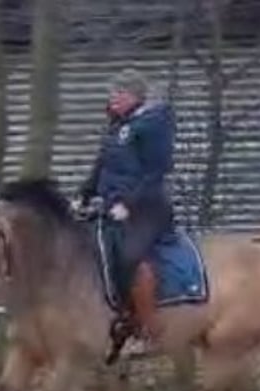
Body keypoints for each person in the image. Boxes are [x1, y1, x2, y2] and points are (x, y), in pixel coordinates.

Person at [76, 68, 176, 341]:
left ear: (136, 96)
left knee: (130, 257)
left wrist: (129, 204)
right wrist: (82, 195)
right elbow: (102, 167)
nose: (114, 98)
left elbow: (157, 172)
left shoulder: (154, 125)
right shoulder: (116, 126)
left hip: (148, 209)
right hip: (111, 207)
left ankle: (146, 325)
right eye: (113, 92)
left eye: (121, 92)